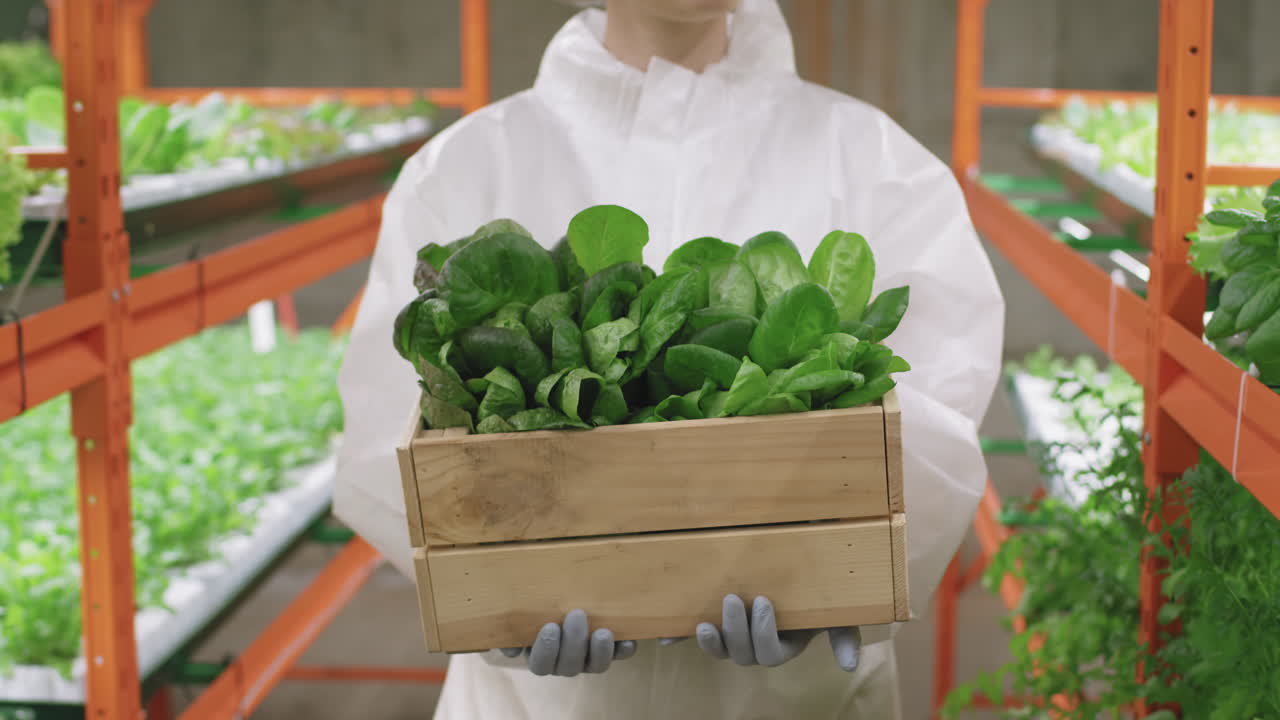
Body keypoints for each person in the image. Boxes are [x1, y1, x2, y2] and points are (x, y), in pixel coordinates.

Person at [334, 0, 1004, 717]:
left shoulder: (879, 164)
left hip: (798, 699)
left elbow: (934, 428)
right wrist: (495, 605)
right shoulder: (465, 167)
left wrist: (835, 591)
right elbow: (389, 438)